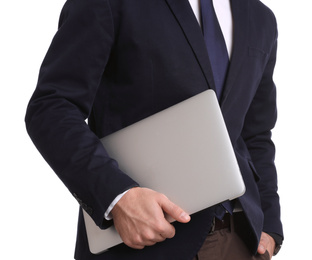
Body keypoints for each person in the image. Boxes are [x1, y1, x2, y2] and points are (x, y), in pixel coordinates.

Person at [25, 0, 283, 259]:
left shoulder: (260, 18)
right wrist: (117, 196)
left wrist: (270, 225)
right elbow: (52, 107)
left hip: (238, 240)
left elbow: (255, 133)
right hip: (139, 241)